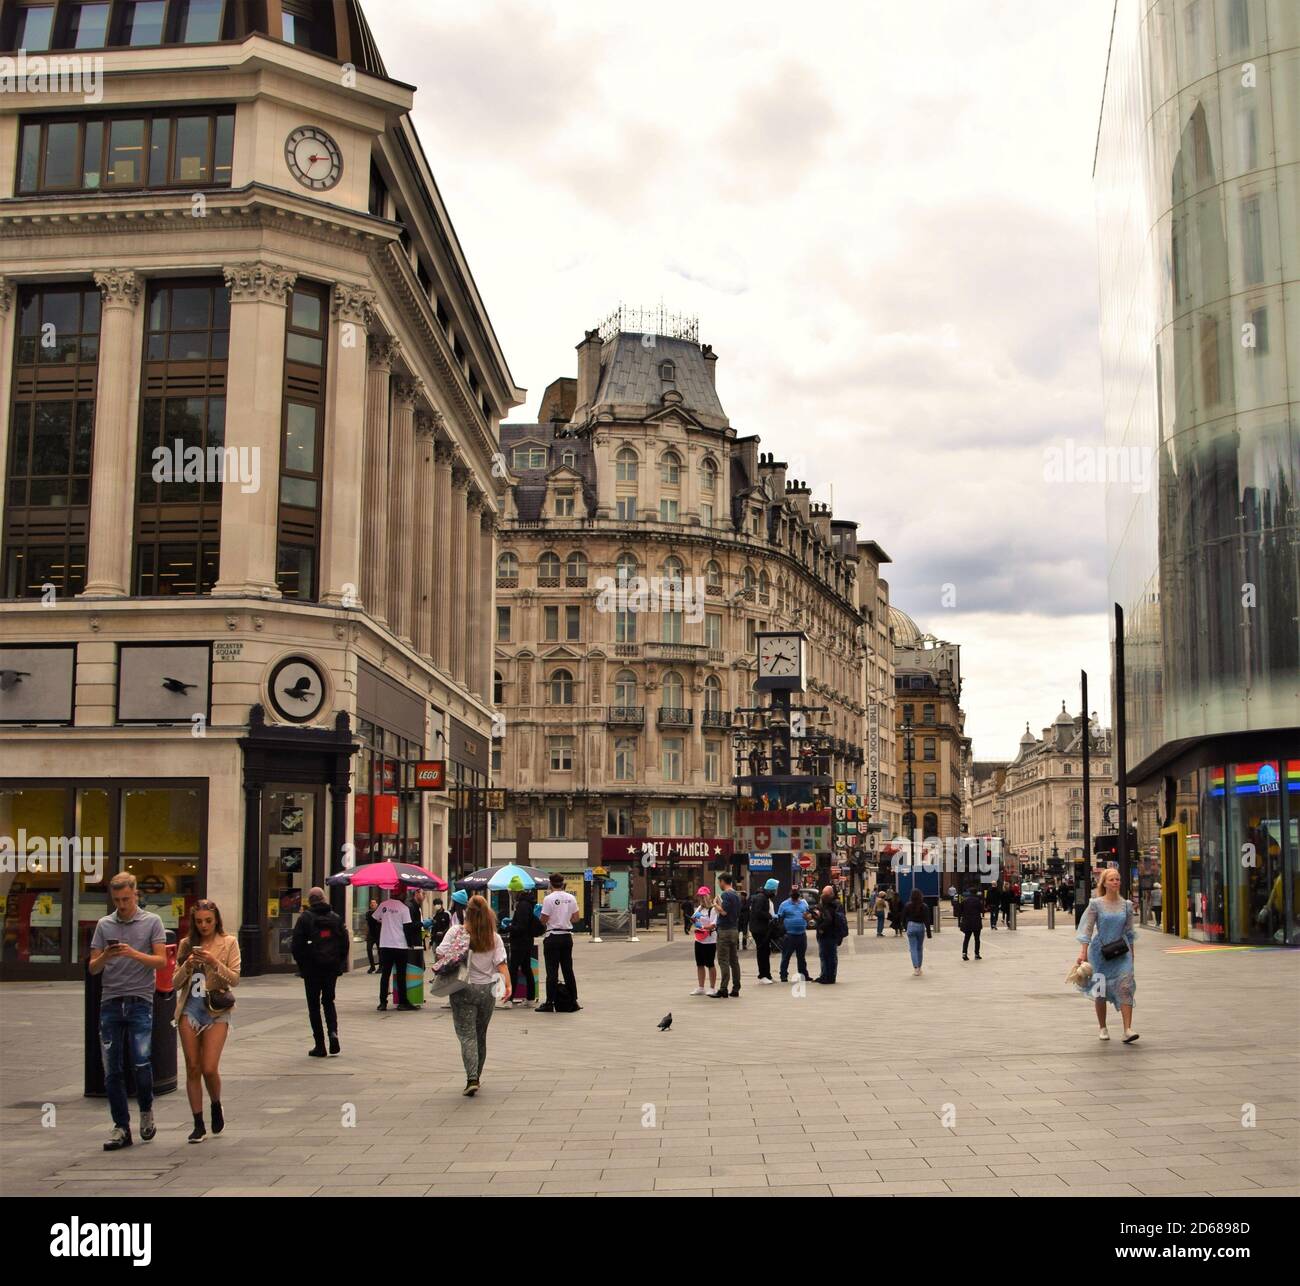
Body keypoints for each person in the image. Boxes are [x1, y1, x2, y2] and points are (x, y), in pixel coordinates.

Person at [89, 873, 169, 1151]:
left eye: (126, 899)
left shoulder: (152, 922)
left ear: (135, 894)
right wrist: (106, 956)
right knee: (112, 1069)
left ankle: (146, 1111)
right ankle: (121, 1126)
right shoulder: (104, 924)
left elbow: (160, 961)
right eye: (117, 900)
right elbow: (92, 968)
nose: (122, 905)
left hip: (139, 1001)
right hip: (111, 1001)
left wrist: (133, 953)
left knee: (141, 1062)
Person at [172, 899, 241, 1143]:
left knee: (209, 1067)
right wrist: (187, 966)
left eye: (208, 921)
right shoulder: (186, 944)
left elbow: (234, 979)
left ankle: (215, 1104)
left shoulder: (229, 942)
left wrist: (214, 962)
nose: (204, 926)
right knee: (193, 1066)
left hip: (215, 1010)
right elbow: (174, 983)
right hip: (190, 1008)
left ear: (216, 920)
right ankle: (198, 1123)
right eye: (199, 921)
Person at [436, 894, 511, 1095]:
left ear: (467, 912)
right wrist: (508, 985)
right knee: (480, 1034)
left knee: (467, 1036)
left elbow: (440, 953)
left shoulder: (456, 932)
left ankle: (472, 1078)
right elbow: (501, 964)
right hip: (487, 990)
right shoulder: (493, 937)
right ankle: (477, 1074)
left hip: (462, 988)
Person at [1075, 868, 1138, 1043]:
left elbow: (1130, 931)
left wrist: (1132, 952)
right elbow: (1087, 930)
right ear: (1104, 883)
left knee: (1126, 986)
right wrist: (1083, 951)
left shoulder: (1126, 905)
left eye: (1118, 879)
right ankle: (1102, 1027)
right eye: (1112, 879)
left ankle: (1128, 1029)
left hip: (1121, 951)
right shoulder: (1096, 904)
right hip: (1100, 953)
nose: (1116, 882)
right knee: (1100, 991)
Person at [291, 887, 347, 1059]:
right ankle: (333, 1033)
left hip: (312, 969)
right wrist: (340, 964)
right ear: (324, 899)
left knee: (313, 1006)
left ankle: (320, 1045)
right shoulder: (336, 918)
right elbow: (344, 943)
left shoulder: (305, 919)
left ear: (310, 901)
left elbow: (296, 945)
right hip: (330, 968)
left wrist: (303, 965)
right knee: (329, 1001)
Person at [537, 873, 581, 1012]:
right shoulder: (571, 898)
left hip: (553, 936)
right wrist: (565, 918)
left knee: (552, 971)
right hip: (567, 937)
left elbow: (544, 919)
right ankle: (573, 1000)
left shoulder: (548, 899)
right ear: (563, 884)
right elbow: (576, 918)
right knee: (568, 969)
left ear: (550, 884)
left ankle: (550, 1002)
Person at [372, 890, 415, 1012]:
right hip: (400, 945)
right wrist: (410, 944)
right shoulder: (404, 908)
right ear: (402, 895)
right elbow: (407, 928)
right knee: (401, 975)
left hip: (385, 944)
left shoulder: (383, 905)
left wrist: (386, 920)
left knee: (385, 974)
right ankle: (402, 1002)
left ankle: (382, 1003)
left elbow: (375, 917)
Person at [506, 893, 542, 1007]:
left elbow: (521, 926)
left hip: (519, 942)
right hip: (527, 941)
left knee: (513, 969)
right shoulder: (528, 904)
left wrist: (508, 927)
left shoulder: (522, 905)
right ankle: (530, 998)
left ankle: (509, 999)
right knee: (526, 968)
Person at [714, 873, 742, 998]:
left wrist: (715, 905)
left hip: (724, 930)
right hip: (734, 929)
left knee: (723, 960)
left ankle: (723, 988)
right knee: (734, 961)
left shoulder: (726, 894)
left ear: (723, 881)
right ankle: (736, 988)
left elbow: (724, 912)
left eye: (719, 882)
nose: (719, 884)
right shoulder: (736, 895)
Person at [775, 886, 812, 982]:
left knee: (801, 957)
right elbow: (780, 918)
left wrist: (807, 917)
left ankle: (804, 975)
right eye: (793, 893)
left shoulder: (804, 903)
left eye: (796, 893)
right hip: (789, 935)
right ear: (790, 894)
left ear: (799, 894)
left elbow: (808, 916)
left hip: (801, 934)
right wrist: (782, 931)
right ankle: (783, 975)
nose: (795, 895)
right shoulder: (784, 904)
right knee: (786, 956)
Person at [812, 885, 848, 984]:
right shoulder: (824, 904)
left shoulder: (834, 905)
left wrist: (821, 927)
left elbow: (830, 920)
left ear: (831, 894)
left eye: (826, 894)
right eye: (823, 893)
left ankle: (830, 977)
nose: (823, 896)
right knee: (823, 955)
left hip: (831, 934)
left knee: (830, 956)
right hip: (823, 935)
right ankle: (824, 975)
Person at [690, 886, 719, 995]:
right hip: (699, 939)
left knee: (710, 964)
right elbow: (693, 918)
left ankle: (712, 987)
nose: (701, 899)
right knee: (700, 964)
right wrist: (694, 920)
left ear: (708, 896)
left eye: (703, 896)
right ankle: (701, 987)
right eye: (700, 896)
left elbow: (713, 925)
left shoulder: (713, 909)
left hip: (710, 940)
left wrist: (702, 926)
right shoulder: (699, 908)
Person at [903, 889, 932, 976]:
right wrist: (929, 932)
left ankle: (915, 968)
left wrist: (905, 927)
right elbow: (927, 920)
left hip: (911, 926)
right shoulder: (924, 906)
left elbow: (903, 917)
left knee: (913, 948)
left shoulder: (908, 905)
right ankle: (919, 968)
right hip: (920, 927)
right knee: (919, 948)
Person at [959, 888, 984, 961]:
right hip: (976, 922)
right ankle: (977, 954)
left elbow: (960, 910)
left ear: (969, 892)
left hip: (967, 922)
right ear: (976, 893)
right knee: (977, 939)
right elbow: (982, 910)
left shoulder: (965, 900)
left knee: (966, 939)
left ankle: (964, 953)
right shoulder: (978, 901)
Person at [364, 897, 380, 973]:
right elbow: (367, 924)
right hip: (371, 934)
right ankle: (372, 966)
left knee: (380, 951)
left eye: (374, 903)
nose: (372, 904)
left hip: (378, 934)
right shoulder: (368, 913)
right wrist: (366, 933)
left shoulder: (380, 912)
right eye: (371, 903)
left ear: (377, 904)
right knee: (369, 949)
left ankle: (381, 967)